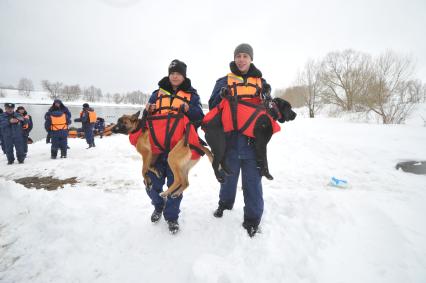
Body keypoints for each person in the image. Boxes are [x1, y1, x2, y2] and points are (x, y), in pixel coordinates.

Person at [208, 43, 271, 237]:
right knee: (227, 179)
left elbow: (268, 110)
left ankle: (252, 220)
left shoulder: (262, 82)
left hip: (253, 144)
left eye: (245, 56)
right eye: (238, 56)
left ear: (251, 59)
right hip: (230, 141)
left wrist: (270, 100)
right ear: (234, 58)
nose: (241, 59)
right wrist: (221, 96)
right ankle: (225, 206)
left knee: (252, 183)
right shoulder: (223, 81)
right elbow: (212, 106)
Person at [145, 59, 204, 234]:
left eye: (178, 73)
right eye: (172, 73)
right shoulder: (156, 94)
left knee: (175, 183)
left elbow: (199, 117)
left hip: (178, 149)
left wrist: (188, 109)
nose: (175, 76)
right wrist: (147, 109)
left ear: (183, 75)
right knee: (151, 181)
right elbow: (145, 116)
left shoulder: (192, 95)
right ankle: (158, 205)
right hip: (156, 147)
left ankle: (172, 217)